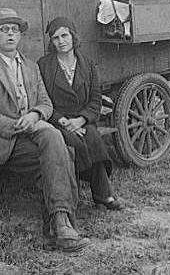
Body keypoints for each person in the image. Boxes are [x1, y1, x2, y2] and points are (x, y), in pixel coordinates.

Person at [0, 8, 90, 251]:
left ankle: (59, 222)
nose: (10, 35)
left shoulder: (31, 66)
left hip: (33, 130)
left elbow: (46, 104)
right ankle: (62, 223)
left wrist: (34, 114)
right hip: (4, 142)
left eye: (15, 30)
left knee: (54, 139)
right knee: (62, 150)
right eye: (4, 30)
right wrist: (18, 125)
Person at [38, 16, 124, 210]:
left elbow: (95, 100)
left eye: (64, 35)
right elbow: (42, 100)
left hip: (82, 118)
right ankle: (69, 194)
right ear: (51, 42)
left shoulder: (88, 64)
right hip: (56, 120)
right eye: (55, 38)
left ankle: (103, 194)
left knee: (92, 136)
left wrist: (81, 120)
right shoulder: (44, 65)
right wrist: (62, 121)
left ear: (73, 36)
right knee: (73, 141)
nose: (61, 41)